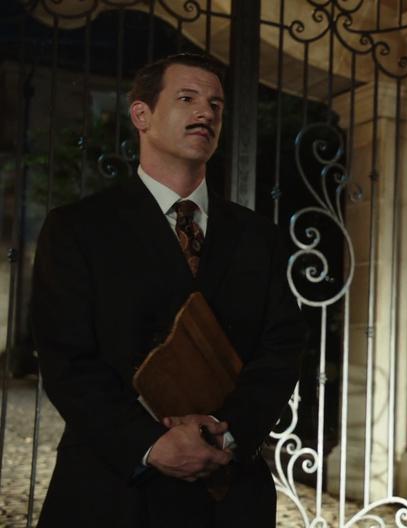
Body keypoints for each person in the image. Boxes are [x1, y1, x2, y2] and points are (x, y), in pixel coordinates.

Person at [31, 53, 304, 527]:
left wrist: (228, 434)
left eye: (216, 105)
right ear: (142, 115)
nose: (206, 113)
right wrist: (149, 443)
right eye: (187, 99)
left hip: (228, 494)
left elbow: (282, 350)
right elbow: (65, 360)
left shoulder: (260, 237)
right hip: (112, 489)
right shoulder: (78, 228)